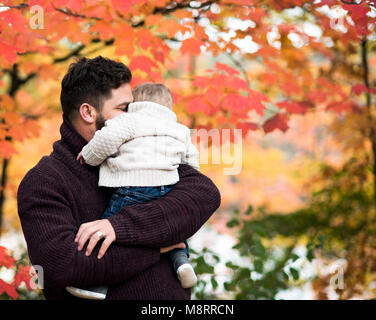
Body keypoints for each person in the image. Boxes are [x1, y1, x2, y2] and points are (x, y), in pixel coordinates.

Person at [16, 56, 221, 300]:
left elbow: (204, 194)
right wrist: (157, 245)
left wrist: (119, 227)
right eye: (125, 109)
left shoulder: (147, 150)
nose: (136, 116)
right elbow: (62, 267)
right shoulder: (45, 180)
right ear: (88, 112)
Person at [66, 82, 200, 300]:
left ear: (135, 104)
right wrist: (184, 183)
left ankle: (95, 284)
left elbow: (106, 140)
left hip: (133, 188)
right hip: (167, 189)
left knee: (106, 232)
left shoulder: (130, 121)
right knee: (171, 229)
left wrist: (88, 156)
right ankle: (181, 261)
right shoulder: (180, 130)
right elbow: (192, 162)